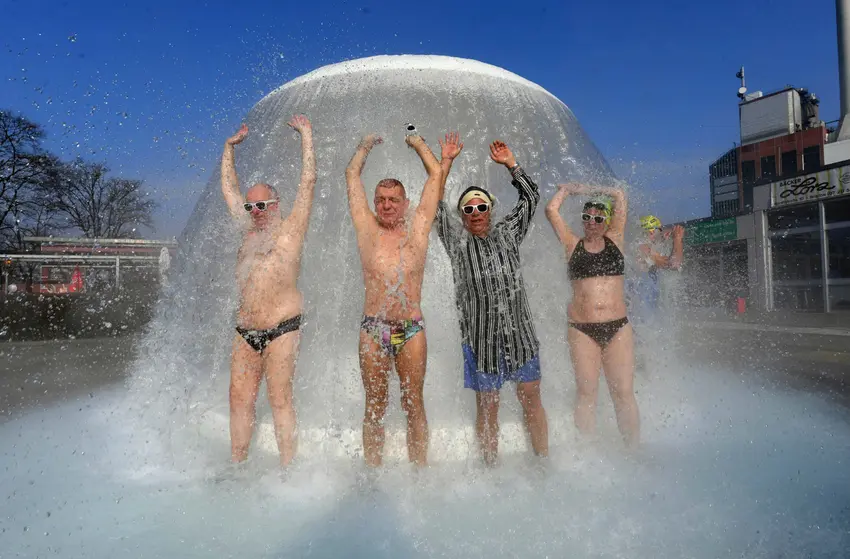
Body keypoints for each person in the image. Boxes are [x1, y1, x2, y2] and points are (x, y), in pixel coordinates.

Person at [436, 134, 548, 466]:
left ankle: (542, 463)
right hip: (481, 340)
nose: (476, 213)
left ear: (490, 209)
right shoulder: (457, 242)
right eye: (468, 209)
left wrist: (511, 164)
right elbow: (432, 205)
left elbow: (532, 197)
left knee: (531, 397)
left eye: (481, 207)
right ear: (461, 215)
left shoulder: (508, 232)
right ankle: (490, 469)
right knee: (488, 406)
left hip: (520, 336)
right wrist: (446, 163)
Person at [220, 115, 316, 467]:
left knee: (279, 399)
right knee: (238, 399)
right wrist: (228, 149)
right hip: (245, 331)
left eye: (261, 205)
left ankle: (288, 468)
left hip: (282, 328)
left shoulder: (290, 231)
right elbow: (229, 190)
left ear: (276, 204)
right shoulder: (246, 232)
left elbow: (308, 182)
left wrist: (306, 135)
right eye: (251, 206)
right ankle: (237, 464)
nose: (255, 211)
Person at [345, 129, 442, 468]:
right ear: (374, 203)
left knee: (413, 402)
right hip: (373, 329)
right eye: (381, 200)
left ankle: (420, 473)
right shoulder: (366, 229)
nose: (386, 205)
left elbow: (436, 175)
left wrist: (417, 143)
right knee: (375, 404)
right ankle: (372, 474)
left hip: (410, 330)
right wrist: (364, 146)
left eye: (393, 200)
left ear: (405, 204)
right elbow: (351, 175)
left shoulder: (418, 229)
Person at [545, 184, 639, 448]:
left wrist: (588, 189)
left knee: (623, 393)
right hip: (582, 329)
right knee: (586, 393)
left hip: (618, 328)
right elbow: (551, 210)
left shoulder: (616, 239)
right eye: (587, 217)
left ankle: (633, 451)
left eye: (598, 218)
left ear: (607, 220)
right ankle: (586, 454)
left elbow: (619, 195)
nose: (592, 223)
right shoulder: (571, 244)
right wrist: (567, 190)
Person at [629, 215, 685, 322]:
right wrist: (677, 239)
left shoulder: (637, 246)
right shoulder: (644, 248)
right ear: (651, 232)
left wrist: (666, 238)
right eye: (659, 231)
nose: (661, 234)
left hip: (640, 307)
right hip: (641, 310)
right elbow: (673, 264)